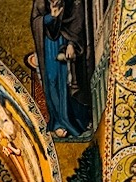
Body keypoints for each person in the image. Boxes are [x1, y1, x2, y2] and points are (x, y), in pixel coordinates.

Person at [30, 0, 91, 137]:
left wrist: (71, 43)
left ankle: (71, 121)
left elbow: (76, 20)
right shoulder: (41, 1)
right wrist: (51, 17)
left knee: (66, 82)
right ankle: (57, 122)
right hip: (48, 44)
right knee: (52, 80)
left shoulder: (74, 2)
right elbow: (35, 20)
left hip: (64, 41)